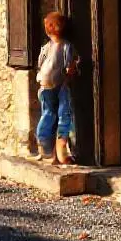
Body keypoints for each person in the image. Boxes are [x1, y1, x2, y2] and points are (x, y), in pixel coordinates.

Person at [34, 11, 79, 165]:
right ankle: (53, 151)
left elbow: (43, 65)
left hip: (53, 85)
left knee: (55, 115)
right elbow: (66, 66)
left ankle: (54, 151)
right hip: (53, 86)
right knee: (56, 116)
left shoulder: (56, 47)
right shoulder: (56, 47)